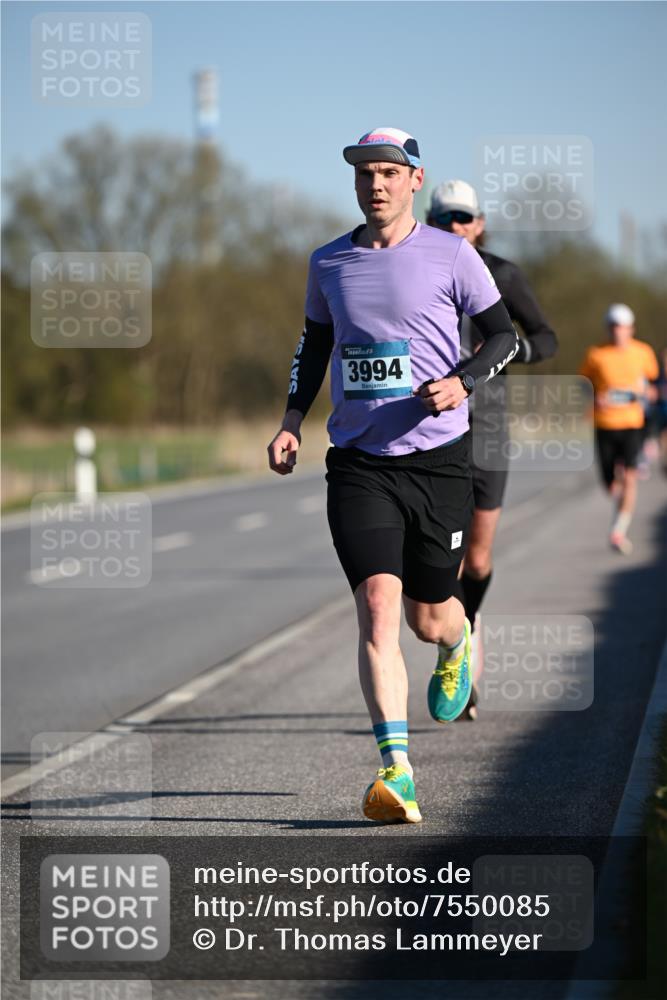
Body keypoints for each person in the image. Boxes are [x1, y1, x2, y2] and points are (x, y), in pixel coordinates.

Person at [268, 128, 519, 823]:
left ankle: (458, 638)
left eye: (387, 172)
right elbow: (315, 344)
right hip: (358, 463)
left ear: (414, 180)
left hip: (438, 462)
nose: (374, 184)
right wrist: (291, 420)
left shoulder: (452, 254)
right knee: (378, 607)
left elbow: (505, 336)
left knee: (427, 618)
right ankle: (396, 772)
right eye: (363, 174)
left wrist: (463, 381)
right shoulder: (329, 261)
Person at [426, 180, 558, 717]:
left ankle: (468, 625)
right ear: (431, 223)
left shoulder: (502, 274)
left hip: (488, 430)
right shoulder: (419, 269)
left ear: (479, 224)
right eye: (444, 219)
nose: (454, 226)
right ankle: (456, 648)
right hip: (437, 429)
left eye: (464, 218)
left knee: (477, 558)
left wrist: (510, 348)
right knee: (446, 558)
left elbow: (546, 337)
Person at [579, 303, 659, 554]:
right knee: (610, 483)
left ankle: (619, 530)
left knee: (631, 477)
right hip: (605, 424)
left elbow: (653, 383)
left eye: (623, 327)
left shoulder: (643, 352)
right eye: (614, 327)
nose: (618, 332)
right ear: (608, 328)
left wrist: (649, 392)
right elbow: (582, 383)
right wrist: (595, 397)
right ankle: (620, 506)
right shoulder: (596, 354)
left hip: (632, 423)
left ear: (631, 329)